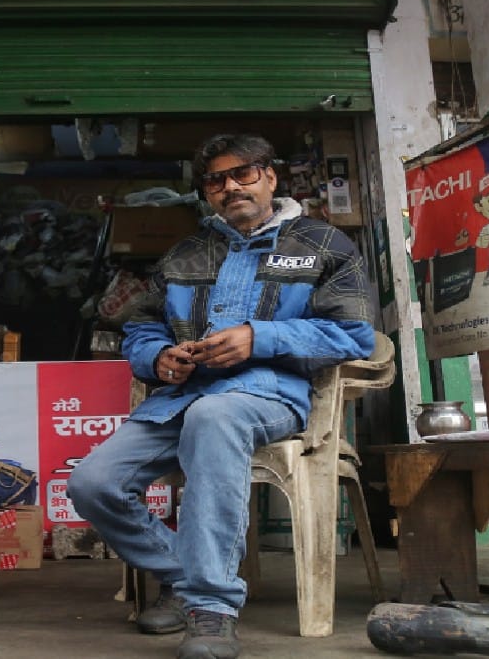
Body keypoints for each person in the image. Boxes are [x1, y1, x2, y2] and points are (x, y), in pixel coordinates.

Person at [68, 133, 375, 659]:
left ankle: (212, 608)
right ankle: (187, 576)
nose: (231, 186)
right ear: (206, 193)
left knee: (215, 417)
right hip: (179, 399)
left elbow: (354, 336)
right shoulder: (185, 254)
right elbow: (141, 327)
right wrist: (158, 358)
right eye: (216, 180)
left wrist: (261, 337)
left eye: (243, 174)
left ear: (270, 177)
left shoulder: (323, 246)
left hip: (266, 394)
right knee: (93, 483)